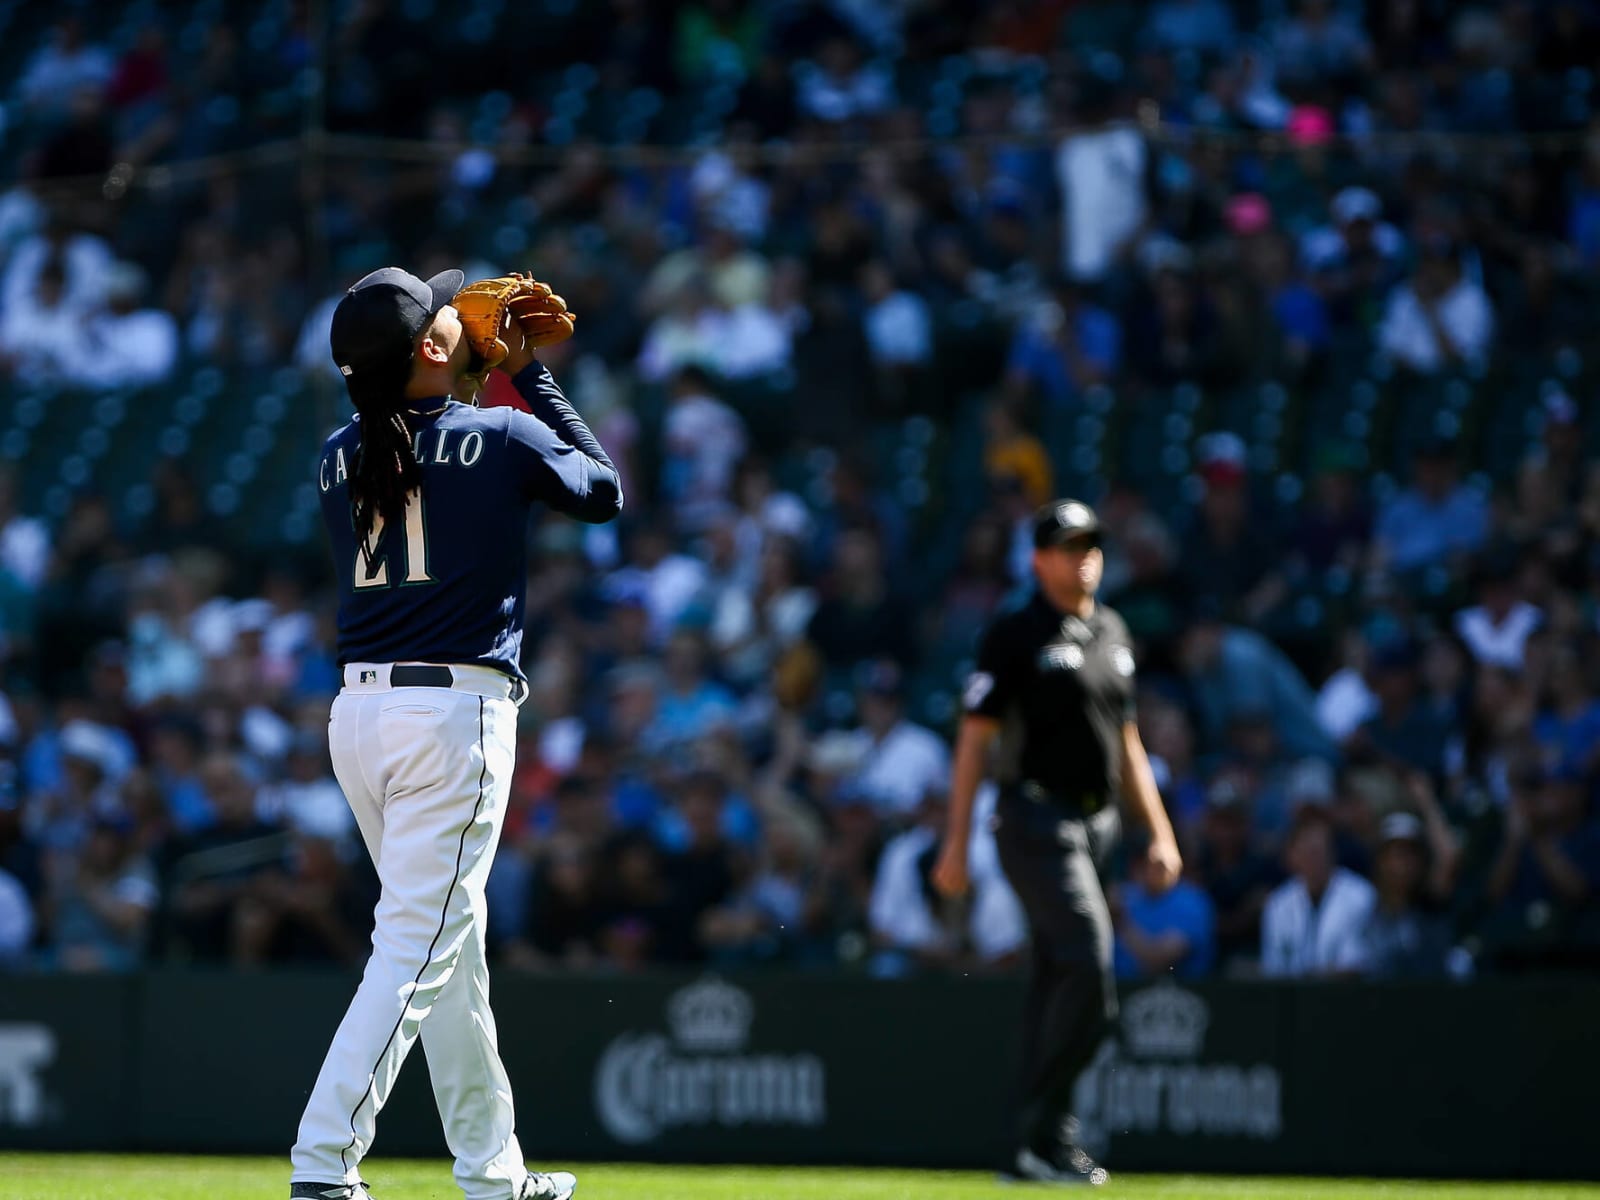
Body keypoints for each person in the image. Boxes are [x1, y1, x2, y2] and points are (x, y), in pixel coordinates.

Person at [291, 267, 622, 1200]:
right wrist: (530, 373)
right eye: (445, 311)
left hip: (359, 717)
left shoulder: (333, 454)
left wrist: (462, 369)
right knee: (417, 948)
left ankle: (492, 1171)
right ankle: (322, 1164)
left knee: (451, 948)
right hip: (450, 719)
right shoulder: (502, 430)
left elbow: (422, 450)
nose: (461, 307)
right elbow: (602, 493)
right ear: (431, 347)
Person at [933, 499, 1182, 1187]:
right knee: (1088, 968)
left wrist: (1157, 829)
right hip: (1035, 821)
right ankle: (1048, 1131)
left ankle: (1033, 1144)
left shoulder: (1113, 630)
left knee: (1056, 982)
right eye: (1069, 546)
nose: (1086, 558)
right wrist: (954, 843)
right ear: (1039, 558)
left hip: (1098, 826)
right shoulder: (1014, 634)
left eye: (1092, 545)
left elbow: (1128, 742)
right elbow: (974, 741)